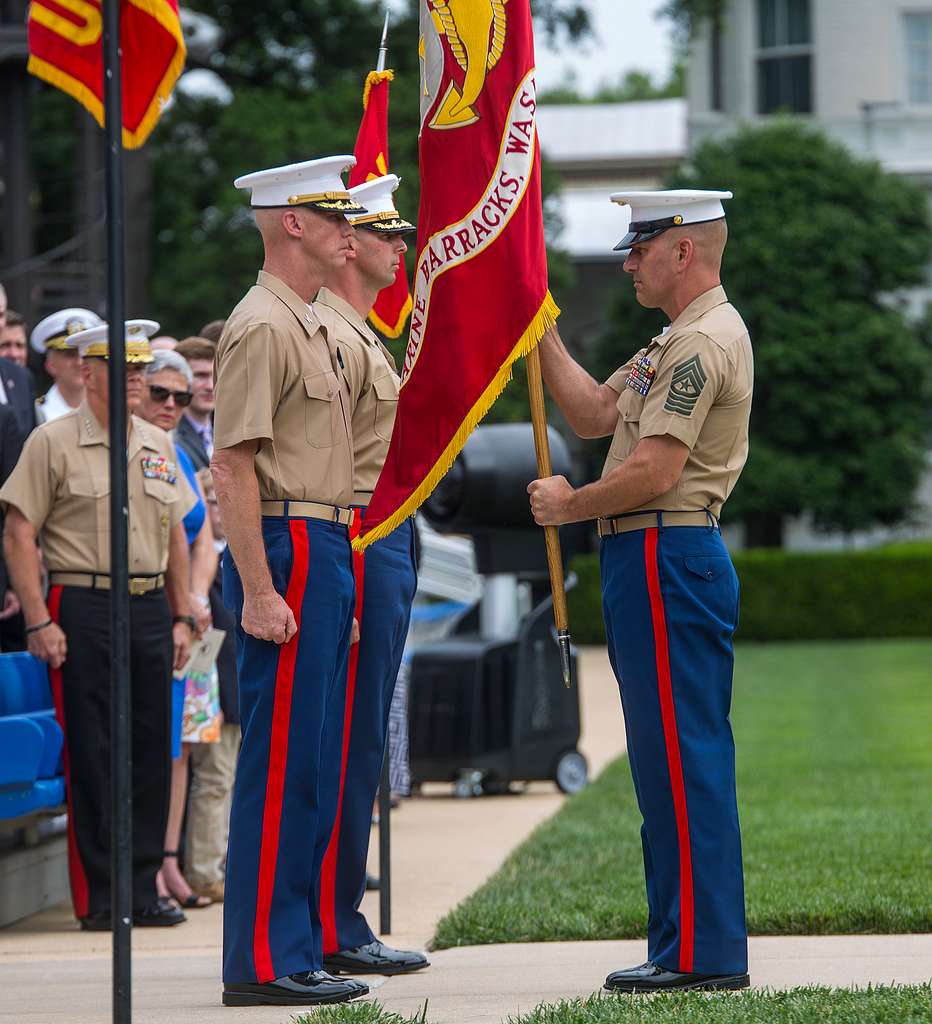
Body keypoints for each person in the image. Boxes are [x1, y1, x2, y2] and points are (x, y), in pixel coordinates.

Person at [527, 190, 753, 995]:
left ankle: (703, 955)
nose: (627, 263)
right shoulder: (675, 340)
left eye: (640, 247)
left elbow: (654, 471)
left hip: (665, 549)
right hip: (651, 555)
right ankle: (683, 945)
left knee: (683, 759)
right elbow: (591, 415)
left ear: (681, 251)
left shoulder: (700, 345)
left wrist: (569, 506)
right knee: (665, 762)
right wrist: (539, 323)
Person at [211, 155, 370, 1008]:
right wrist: (260, 588)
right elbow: (232, 466)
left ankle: (294, 946)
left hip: (325, 537)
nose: (352, 229)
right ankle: (264, 962)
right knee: (279, 763)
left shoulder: (304, 321)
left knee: (308, 761)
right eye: (333, 213)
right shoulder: (263, 325)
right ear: (293, 224)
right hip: (290, 540)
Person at [0, 318, 198, 930]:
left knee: (148, 747)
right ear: (88, 373)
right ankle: (102, 897)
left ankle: (143, 889)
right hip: (82, 605)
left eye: (142, 367)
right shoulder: (52, 442)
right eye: (126, 368)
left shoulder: (158, 443)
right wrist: (37, 618)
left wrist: (183, 613)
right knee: (93, 748)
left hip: (145, 606)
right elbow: (19, 531)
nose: (138, 379)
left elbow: (174, 535)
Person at [313, 174, 426, 977]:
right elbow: (337, 476)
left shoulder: (359, 333)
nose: (403, 249)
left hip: (386, 537)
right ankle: (330, 921)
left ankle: (338, 914)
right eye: (391, 236)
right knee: (344, 744)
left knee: (360, 745)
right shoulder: (330, 332)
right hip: (358, 541)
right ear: (350, 245)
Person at [136, 349, 218, 911]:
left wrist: (195, 596)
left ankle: (169, 859)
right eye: (160, 394)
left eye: (180, 397)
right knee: (155, 744)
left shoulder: (174, 454)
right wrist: (179, 603)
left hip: (190, 617)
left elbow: (200, 533)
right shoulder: (138, 449)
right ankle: (153, 865)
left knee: (182, 744)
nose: (170, 406)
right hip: (155, 613)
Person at [184, 467, 241, 904]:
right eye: (215, 501)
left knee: (233, 783)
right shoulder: (199, 570)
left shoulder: (239, 556)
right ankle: (204, 870)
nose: (222, 510)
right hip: (214, 696)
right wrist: (212, 701)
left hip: (241, 696)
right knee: (214, 782)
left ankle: (225, 863)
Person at [31, 308, 100, 425]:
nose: (79, 362)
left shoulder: (108, 408)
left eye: (84, 354)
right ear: (50, 365)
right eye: (70, 355)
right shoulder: (37, 414)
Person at [173, 337, 215, 470]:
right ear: (179, 378)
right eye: (200, 376)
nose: (210, 386)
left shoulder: (229, 430)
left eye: (215, 376)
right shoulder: (170, 434)